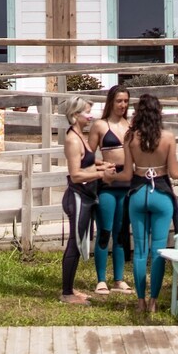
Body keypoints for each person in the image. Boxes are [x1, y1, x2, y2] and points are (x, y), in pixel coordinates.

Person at [114, 94, 178, 314]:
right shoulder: (167, 137)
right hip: (161, 194)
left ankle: (140, 302)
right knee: (158, 250)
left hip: (137, 193)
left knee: (139, 251)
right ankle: (154, 302)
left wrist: (109, 178)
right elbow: (174, 172)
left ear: (138, 113)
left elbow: (127, 174)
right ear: (159, 113)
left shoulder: (130, 137)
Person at [58, 96, 115, 305]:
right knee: (74, 243)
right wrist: (101, 175)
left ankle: (70, 288)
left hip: (87, 197)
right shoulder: (73, 139)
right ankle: (66, 294)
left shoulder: (81, 136)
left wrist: (101, 165)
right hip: (77, 197)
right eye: (87, 112)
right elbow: (75, 175)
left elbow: (87, 161)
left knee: (80, 242)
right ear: (75, 115)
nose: (91, 116)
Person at [86, 85, 134, 296]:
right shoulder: (100, 125)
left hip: (127, 183)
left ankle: (119, 279)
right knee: (105, 231)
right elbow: (86, 157)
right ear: (110, 102)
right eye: (118, 101)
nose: (122, 105)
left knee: (122, 233)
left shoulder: (131, 126)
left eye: (125, 101)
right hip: (107, 183)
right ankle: (101, 279)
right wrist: (102, 166)